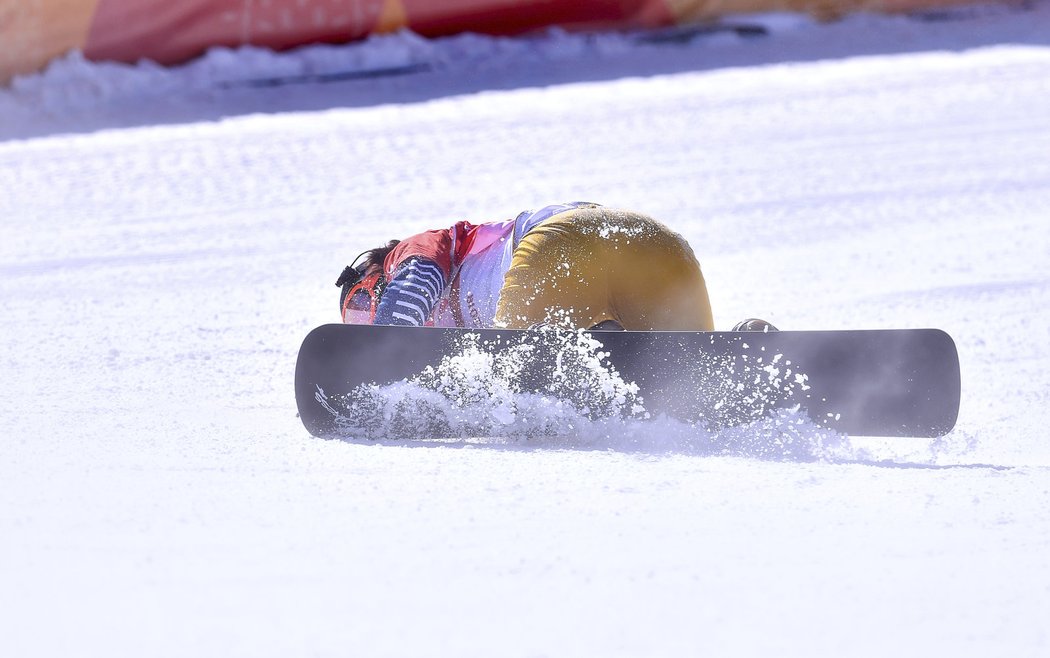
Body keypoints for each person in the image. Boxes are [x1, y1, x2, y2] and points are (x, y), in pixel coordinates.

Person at [335, 202, 775, 332]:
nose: (367, 316)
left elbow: (419, 277)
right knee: (694, 376)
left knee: (516, 378)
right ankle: (754, 353)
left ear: (376, 273)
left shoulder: (410, 253)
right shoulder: (447, 333)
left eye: (362, 302)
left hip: (563, 243)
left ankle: (595, 346)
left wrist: (380, 348)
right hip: (656, 245)